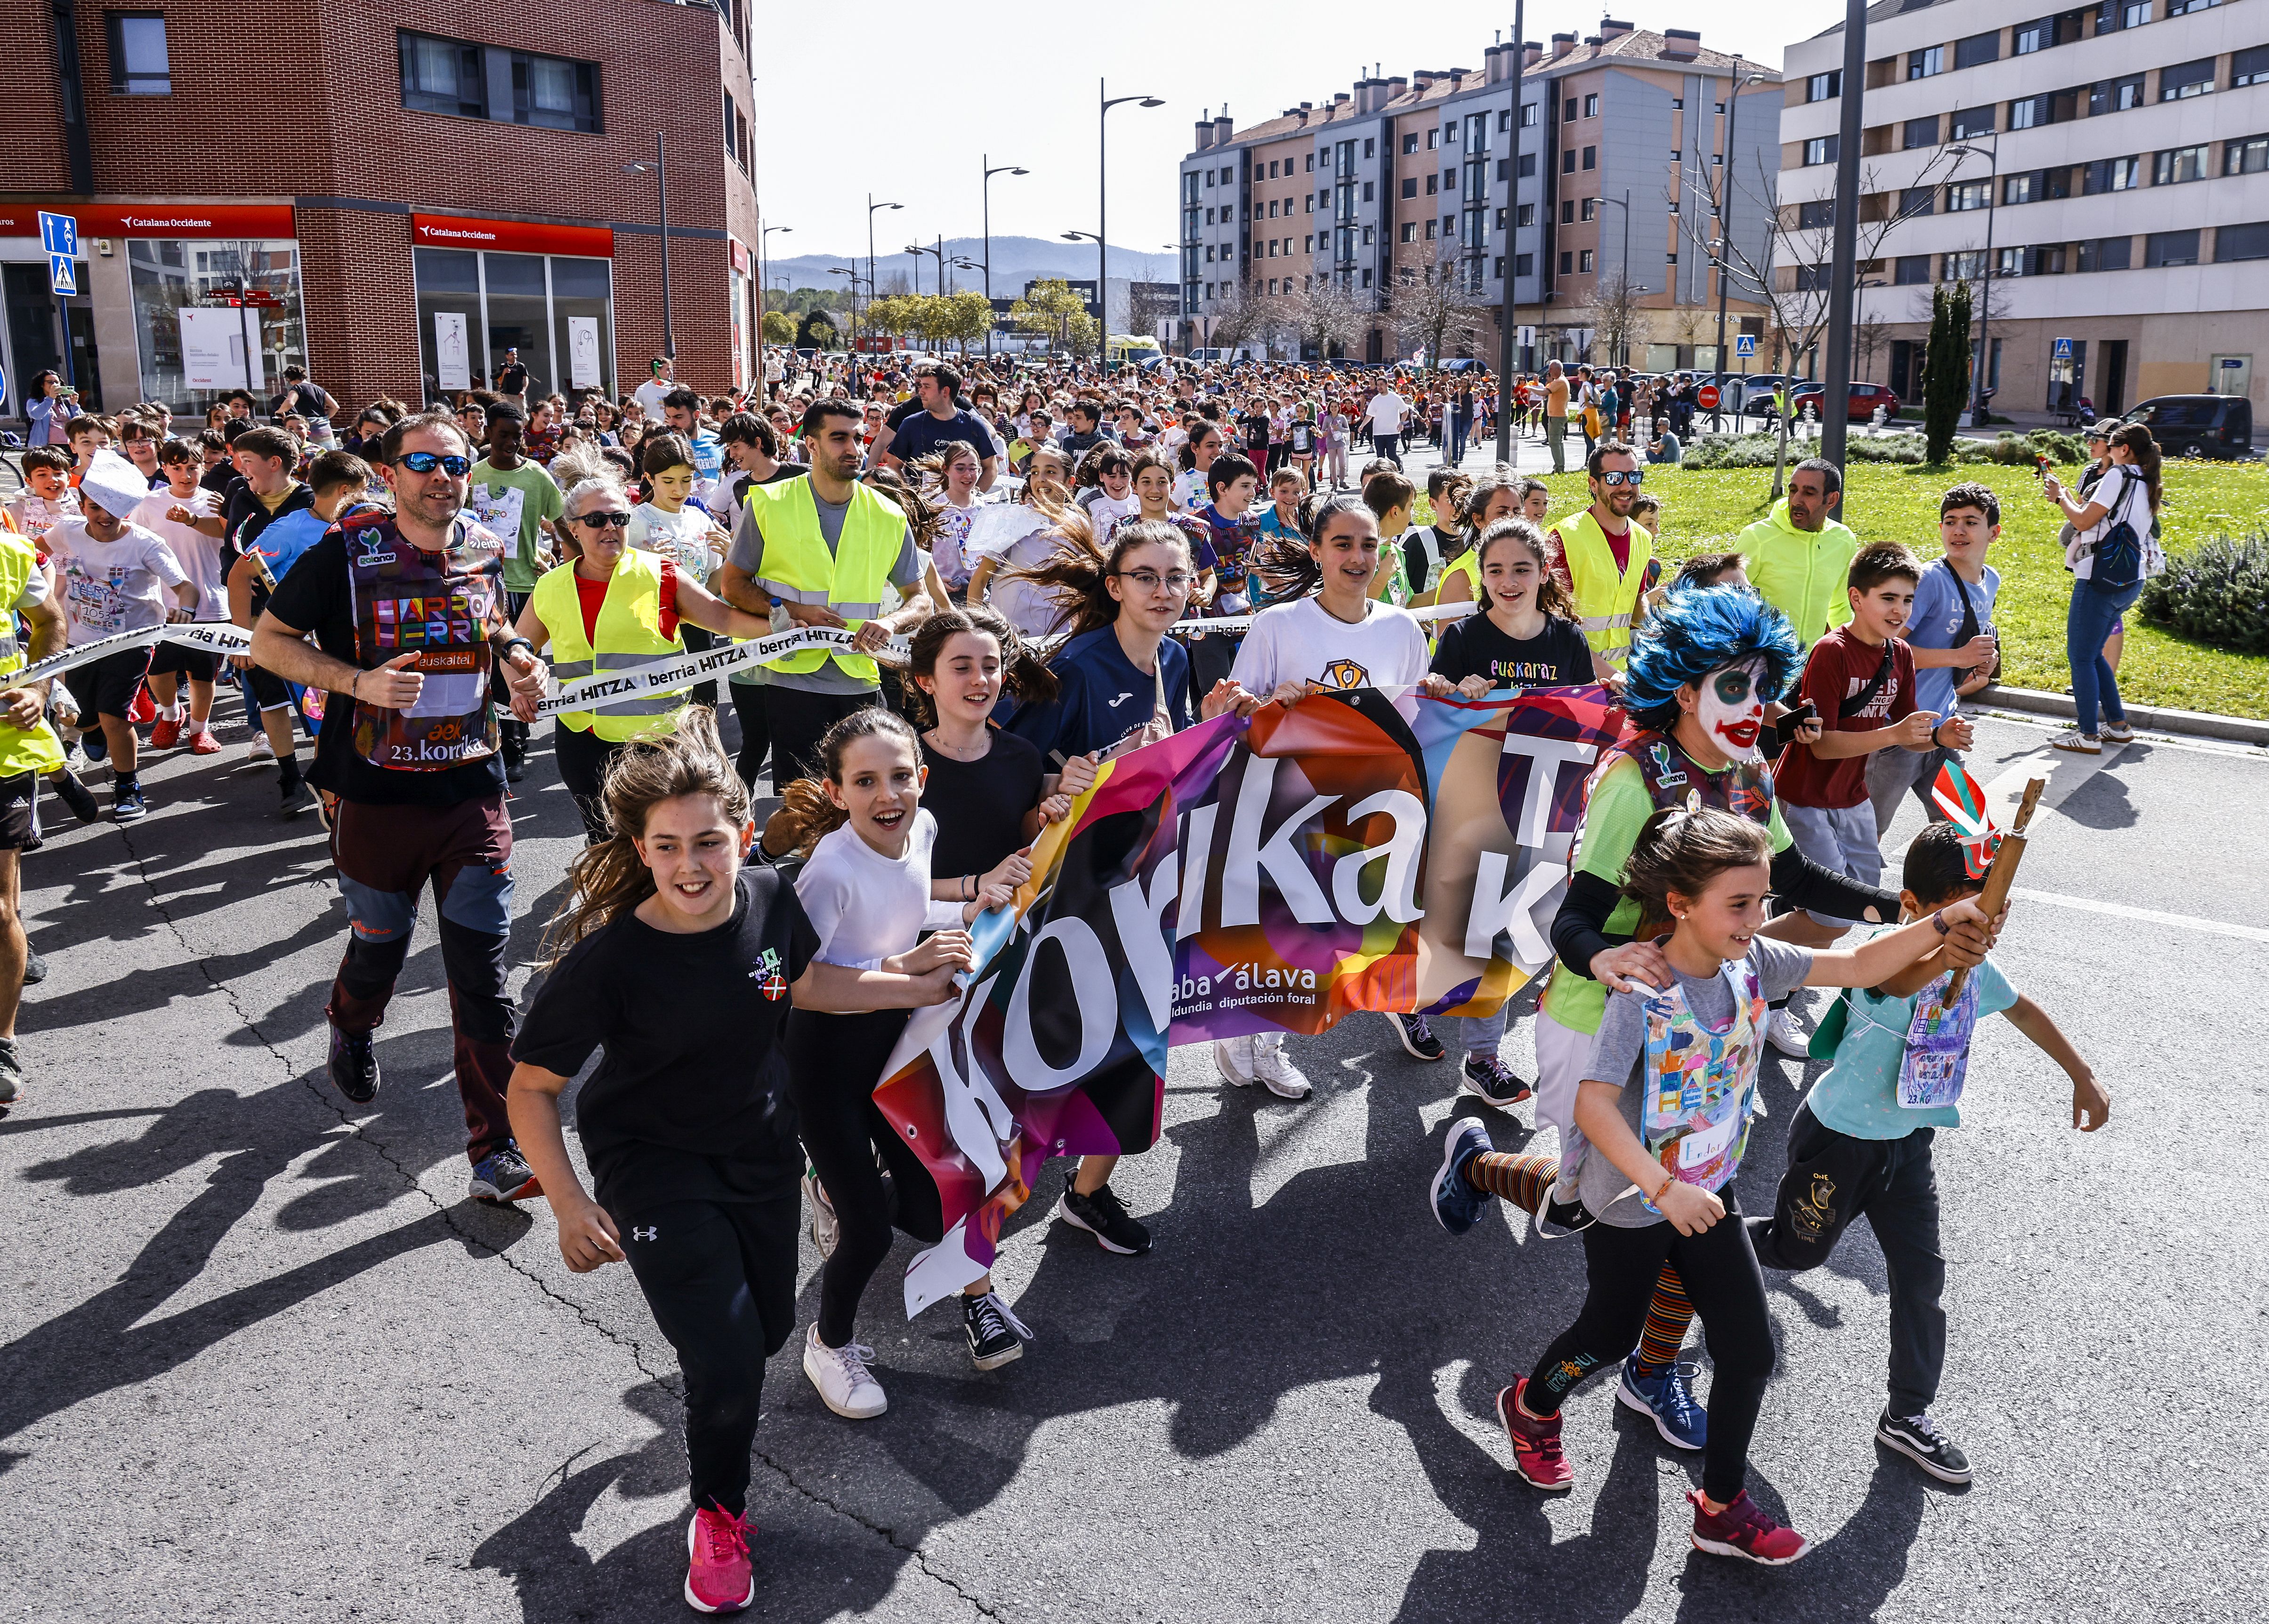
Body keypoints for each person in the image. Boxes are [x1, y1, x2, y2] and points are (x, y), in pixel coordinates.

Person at [507, 710, 958, 1616]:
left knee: (756, 1341)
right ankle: (717, 1516)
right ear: (639, 847)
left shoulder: (764, 897)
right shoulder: (609, 965)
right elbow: (529, 1087)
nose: (690, 866)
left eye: (708, 841)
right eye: (667, 846)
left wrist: (908, 982)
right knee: (725, 1361)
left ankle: (710, 1424)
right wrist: (564, 1201)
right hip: (652, 1169)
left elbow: (800, 981)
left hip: (758, 1152)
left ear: (740, 836)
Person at [1480, 807, 1995, 1564]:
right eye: (1739, 904)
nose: (1757, 919)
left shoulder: (1753, 963)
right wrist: (1662, 1189)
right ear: (1681, 904)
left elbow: (1856, 967)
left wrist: (1946, 920)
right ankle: (1529, 1406)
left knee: (1748, 1352)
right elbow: (1593, 1104)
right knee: (1606, 1337)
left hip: (1708, 1194)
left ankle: (1720, 1506)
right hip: (1633, 1203)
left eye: (1761, 901)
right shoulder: (1642, 989)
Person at [1746, 821, 2108, 1486]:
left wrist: (2079, 1074)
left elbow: (2022, 1009)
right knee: (1794, 1252)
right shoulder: (1884, 959)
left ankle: (1907, 1414)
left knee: (1921, 1280)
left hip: (1908, 1148)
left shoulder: (1974, 966)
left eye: (1988, 914)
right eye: (1958, 915)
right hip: (1837, 1144)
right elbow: (1893, 984)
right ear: (1912, 908)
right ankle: (1709, 1245)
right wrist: (1945, 951)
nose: (1977, 929)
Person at [250, 412, 551, 1204]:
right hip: (377, 796)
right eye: (422, 463)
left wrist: (520, 663)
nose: (441, 477)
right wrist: (356, 683)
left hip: (472, 794)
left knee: (483, 977)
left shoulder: (484, 545)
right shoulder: (348, 552)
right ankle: (351, 1022)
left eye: (454, 464)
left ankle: (497, 1150)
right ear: (390, 474)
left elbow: (489, 627)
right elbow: (268, 643)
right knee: (379, 949)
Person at [772, 709, 1005, 1419]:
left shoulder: (924, 830)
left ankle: (842, 1185)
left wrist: (970, 899)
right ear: (837, 791)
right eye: (865, 781)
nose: (888, 795)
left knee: (941, 1200)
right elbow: (803, 983)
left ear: (921, 780)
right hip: (825, 1062)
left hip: (894, 1050)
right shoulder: (830, 869)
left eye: (900, 777)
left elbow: (908, 898)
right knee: (870, 1229)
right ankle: (828, 1342)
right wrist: (912, 978)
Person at [904, 606, 1100, 1352]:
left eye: (990, 665)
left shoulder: (1021, 754)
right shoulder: (897, 765)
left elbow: (1027, 839)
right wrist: (972, 885)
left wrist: (1052, 807)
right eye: (961, 665)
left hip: (1004, 969)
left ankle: (972, 1286)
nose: (980, 679)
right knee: (942, 1122)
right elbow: (888, 880)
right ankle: (974, 1289)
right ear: (924, 680)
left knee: (983, 1124)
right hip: (918, 969)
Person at [1219, 494, 1436, 1103]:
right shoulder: (1276, 625)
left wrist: (1454, 692)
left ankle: (1258, 1034)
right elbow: (1234, 717)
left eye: (1367, 544)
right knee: (1284, 932)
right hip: (1287, 808)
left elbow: (1418, 722)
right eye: (1341, 543)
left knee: (1330, 936)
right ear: (1314, 551)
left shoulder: (1400, 628)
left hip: (1368, 811)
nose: (1357, 556)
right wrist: (1265, 704)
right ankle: (1264, 1041)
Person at [1772, 544, 1974, 1053]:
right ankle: (1756, 980)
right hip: (1805, 797)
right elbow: (1820, 747)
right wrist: (1896, 735)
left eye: (1907, 599)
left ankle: (1764, 970)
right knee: (1834, 916)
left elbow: (1905, 732)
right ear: (1855, 598)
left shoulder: (1899, 654)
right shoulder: (1832, 652)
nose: (1899, 611)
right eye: (1888, 598)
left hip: (1852, 798)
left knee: (1862, 908)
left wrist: (1939, 736)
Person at [1423, 516, 1596, 1101]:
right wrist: (1450, 694)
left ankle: (1482, 1055)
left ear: (1544, 572)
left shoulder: (1568, 641)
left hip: (1546, 808)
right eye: (1493, 570)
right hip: (1475, 808)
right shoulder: (1464, 638)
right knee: (1460, 930)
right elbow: (1430, 717)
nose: (1507, 581)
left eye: (1521, 568)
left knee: (1513, 934)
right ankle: (1430, 1017)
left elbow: (1586, 720)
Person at [516, 474, 775, 843]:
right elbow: (520, 648)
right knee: (606, 842)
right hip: (583, 741)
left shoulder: (661, 574)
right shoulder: (551, 586)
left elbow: (723, 618)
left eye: (619, 519)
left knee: (658, 843)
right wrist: (520, 683)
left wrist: (787, 628)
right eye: (596, 520)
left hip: (658, 742)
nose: (610, 527)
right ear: (574, 528)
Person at [716, 400, 934, 787]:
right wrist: (794, 609)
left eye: (858, 437)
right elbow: (732, 585)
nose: (854, 449)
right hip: (792, 677)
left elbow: (920, 598)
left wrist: (890, 621)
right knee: (803, 803)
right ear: (811, 445)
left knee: (861, 798)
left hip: (861, 677)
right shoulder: (768, 504)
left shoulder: (888, 514)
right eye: (839, 438)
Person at [45, 452, 200, 822]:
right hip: (79, 642)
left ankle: (128, 786)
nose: (103, 517)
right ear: (82, 505)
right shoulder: (66, 530)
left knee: (116, 718)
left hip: (132, 643)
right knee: (77, 719)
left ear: (127, 510)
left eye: (112, 510)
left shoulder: (145, 544)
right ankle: (92, 728)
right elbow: (33, 556)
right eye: (95, 507)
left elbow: (187, 588)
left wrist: (186, 609)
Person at [226, 450, 373, 819]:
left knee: (338, 717)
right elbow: (239, 576)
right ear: (345, 491)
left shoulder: (364, 525)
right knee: (300, 715)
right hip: (290, 640)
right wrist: (244, 636)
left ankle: (339, 794)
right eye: (364, 490)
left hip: (338, 642)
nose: (370, 498)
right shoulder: (291, 528)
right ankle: (309, 789)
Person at [1866, 485, 2003, 834]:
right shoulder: (1928, 580)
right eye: (1950, 521)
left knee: (1969, 829)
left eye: (1971, 522)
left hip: (1941, 729)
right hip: (1897, 731)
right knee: (1866, 835)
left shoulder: (1991, 582)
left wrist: (1979, 663)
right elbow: (1886, 651)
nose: (1958, 530)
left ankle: (1962, 889)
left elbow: (1961, 644)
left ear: (1994, 533)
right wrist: (1958, 656)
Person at [2043, 423, 2160, 755]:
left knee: (2080, 657)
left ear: (2124, 449)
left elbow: (2082, 521)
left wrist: (2061, 497)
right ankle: (2118, 726)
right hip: (2129, 579)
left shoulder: (2118, 476)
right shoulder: (2147, 482)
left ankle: (2088, 734)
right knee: (2093, 654)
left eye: (2111, 445)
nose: (2106, 449)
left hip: (2099, 579)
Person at [467, 402, 565, 781]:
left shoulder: (537, 476)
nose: (510, 442)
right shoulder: (472, 476)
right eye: (503, 434)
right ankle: (496, 740)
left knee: (519, 668)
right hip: (479, 584)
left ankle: (517, 743)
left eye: (517, 435)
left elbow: (562, 526)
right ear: (488, 432)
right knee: (489, 673)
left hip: (523, 585)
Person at [129, 439, 229, 755]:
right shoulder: (148, 504)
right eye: (177, 468)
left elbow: (231, 537)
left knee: (202, 674)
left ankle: (200, 729)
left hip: (210, 602)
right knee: (158, 671)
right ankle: (171, 714)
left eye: (192, 467)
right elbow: (134, 547)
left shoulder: (216, 501)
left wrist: (195, 520)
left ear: (204, 467)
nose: (186, 475)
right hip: (160, 605)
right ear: (165, 468)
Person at [630, 434, 734, 711]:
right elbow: (614, 584)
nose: (679, 490)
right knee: (662, 719)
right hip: (653, 635)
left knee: (703, 713)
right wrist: (645, 565)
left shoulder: (699, 518)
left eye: (686, 480)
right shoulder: (632, 522)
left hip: (700, 632)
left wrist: (731, 557)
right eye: (668, 481)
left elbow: (712, 581)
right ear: (650, 478)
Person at [1543, 443, 1653, 680]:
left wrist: (1665, 634)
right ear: (1594, 484)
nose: (1626, 486)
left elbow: (1635, 603)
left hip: (1619, 678)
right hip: (1572, 679)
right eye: (1614, 478)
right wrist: (1610, 675)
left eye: (1634, 476)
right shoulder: (1563, 537)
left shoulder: (1643, 538)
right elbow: (1551, 624)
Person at [1739, 459, 1861, 646]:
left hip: (1812, 665)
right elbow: (1727, 600)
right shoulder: (1758, 537)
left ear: (1832, 500)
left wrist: (1855, 650)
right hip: (1763, 664)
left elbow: (1839, 606)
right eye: (1793, 490)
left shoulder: (1844, 541)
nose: (1796, 501)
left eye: (1809, 493)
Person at [1365, 384, 1408, 469]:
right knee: (1380, 457)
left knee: (1391, 455)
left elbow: (1405, 411)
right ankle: (1383, 472)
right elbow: (1369, 415)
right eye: (1378, 385)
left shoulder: (1395, 398)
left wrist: (1402, 423)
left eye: (1382, 385)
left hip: (1392, 432)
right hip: (1378, 432)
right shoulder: (1376, 399)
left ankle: (1399, 462)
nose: (1379, 387)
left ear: (1387, 385)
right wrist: (1362, 426)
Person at [633, 356, 676, 423]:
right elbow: (637, 413)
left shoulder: (673, 388)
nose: (671, 372)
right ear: (657, 370)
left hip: (669, 431)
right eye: (668, 370)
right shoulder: (642, 390)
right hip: (651, 430)